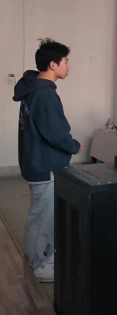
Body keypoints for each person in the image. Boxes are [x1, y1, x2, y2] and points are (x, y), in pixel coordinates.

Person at [14, 39, 82, 282]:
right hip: (45, 164)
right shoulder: (44, 93)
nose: (68, 66)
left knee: (46, 215)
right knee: (42, 217)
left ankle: (45, 256)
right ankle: (38, 265)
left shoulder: (33, 88)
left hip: (37, 161)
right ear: (53, 64)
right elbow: (54, 132)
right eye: (66, 61)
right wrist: (74, 145)